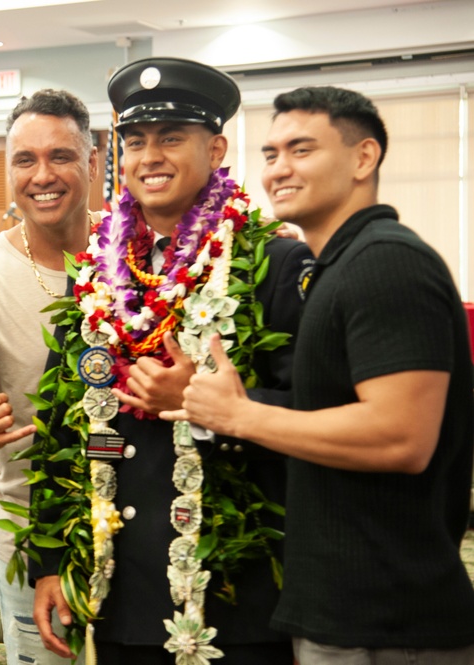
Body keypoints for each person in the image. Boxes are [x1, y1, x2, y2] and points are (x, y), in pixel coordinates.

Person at [165, 86, 474, 664]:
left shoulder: (387, 263)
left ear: (364, 158)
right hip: (346, 612)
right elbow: (332, 413)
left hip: (389, 622)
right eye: (272, 153)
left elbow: (401, 436)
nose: (279, 169)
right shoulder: (335, 267)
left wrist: (241, 414)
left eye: (301, 150)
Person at [28, 57, 314, 665]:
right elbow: (61, 424)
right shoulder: (94, 274)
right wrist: (51, 565)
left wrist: (205, 407)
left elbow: (319, 422)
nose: (150, 156)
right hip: (117, 591)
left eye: (171, 139)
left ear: (215, 149)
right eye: (136, 142)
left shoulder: (279, 267)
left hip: (234, 596)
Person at [0, 88, 97, 665]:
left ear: (91, 162)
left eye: (60, 156)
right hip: (34, 538)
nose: (43, 175)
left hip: (142, 528)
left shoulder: (135, 253)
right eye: (24, 160)